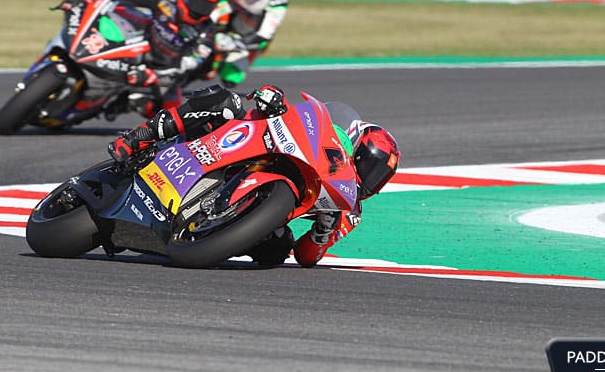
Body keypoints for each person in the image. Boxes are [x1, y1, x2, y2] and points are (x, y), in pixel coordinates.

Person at [109, 84, 400, 268]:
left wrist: (322, 232)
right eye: (369, 166)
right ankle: (139, 137)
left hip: (268, 205)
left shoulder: (348, 212)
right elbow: (296, 116)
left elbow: (306, 256)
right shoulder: (330, 143)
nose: (368, 178)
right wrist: (273, 100)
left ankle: (214, 233)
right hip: (244, 144)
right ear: (355, 147)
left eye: (377, 177)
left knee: (276, 251)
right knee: (224, 102)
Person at [147, 0, 289, 88]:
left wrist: (236, 42)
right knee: (214, 1)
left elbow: (265, 35)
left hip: (246, 34)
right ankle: (192, 32)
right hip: (224, 14)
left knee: (231, 77)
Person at [95, 0, 225, 117]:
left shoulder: (207, 32)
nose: (198, 10)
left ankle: (129, 103)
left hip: (164, 73)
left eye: (205, 6)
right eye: (195, 2)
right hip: (137, 49)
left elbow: (186, 65)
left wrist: (153, 75)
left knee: (172, 116)